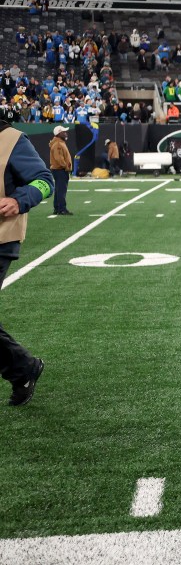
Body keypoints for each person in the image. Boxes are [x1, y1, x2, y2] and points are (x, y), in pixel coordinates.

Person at [0, 119, 53, 405]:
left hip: (1, 237)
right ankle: (23, 369)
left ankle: (22, 369)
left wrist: (21, 200)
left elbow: (45, 181)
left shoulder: (12, 139)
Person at [48, 125, 72, 215]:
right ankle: (62, 209)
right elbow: (59, 158)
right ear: (59, 133)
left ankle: (57, 208)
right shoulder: (58, 144)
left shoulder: (59, 142)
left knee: (59, 189)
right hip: (60, 169)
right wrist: (66, 166)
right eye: (64, 132)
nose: (66, 133)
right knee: (61, 189)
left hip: (58, 169)